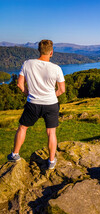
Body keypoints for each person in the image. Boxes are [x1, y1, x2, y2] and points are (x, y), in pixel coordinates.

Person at [7, 40, 65, 170]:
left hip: (33, 103)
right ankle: (51, 162)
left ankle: (15, 154)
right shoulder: (56, 68)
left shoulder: (27, 64)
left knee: (22, 128)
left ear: (39, 50)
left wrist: (29, 94)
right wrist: (50, 96)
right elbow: (62, 90)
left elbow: (20, 84)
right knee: (51, 132)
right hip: (51, 104)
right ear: (51, 52)